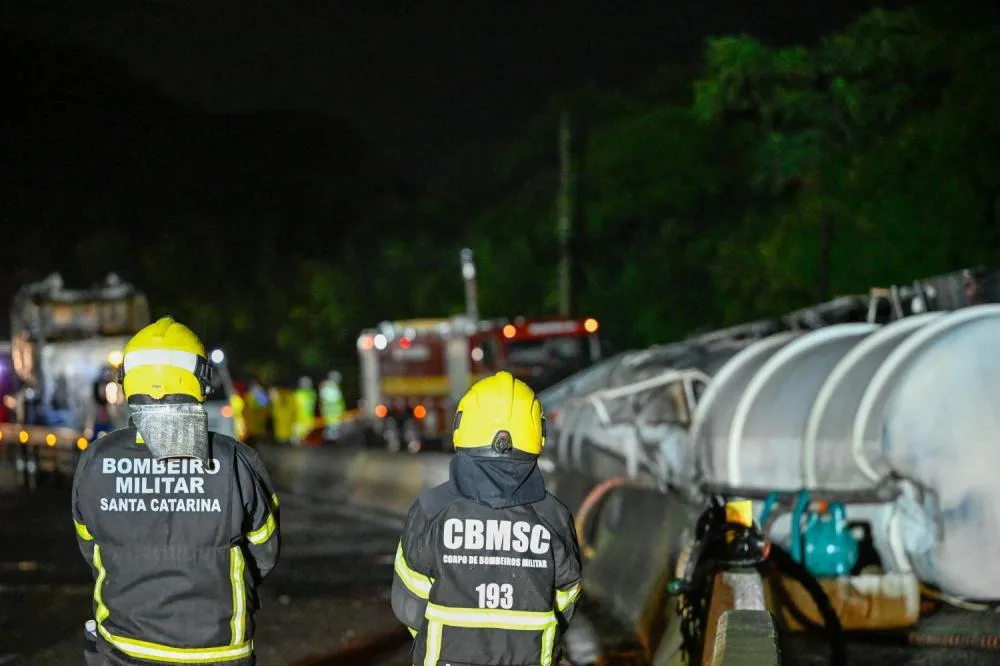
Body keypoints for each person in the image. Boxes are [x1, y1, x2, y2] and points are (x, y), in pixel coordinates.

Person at [71, 316, 280, 666]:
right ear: (200, 379)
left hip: (124, 647)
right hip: (219, 650)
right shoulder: (234, 461)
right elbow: (264, 551)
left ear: (128, 382)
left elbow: (90, 545)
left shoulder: (96, 459)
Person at [391, 370, 582, 666]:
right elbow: (566, 597)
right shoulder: (554, 517)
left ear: (461, 426)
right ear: (537, 432)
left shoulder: (432, 510)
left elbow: (408, 601)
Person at [319, 370, 346, 441]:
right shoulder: (328, 387)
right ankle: (330, 439)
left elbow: (339, 401)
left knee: (334, 428)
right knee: (332, 428)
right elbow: (328, 401)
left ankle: (332, 438)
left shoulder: (335, 386)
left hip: (335, 413)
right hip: (331, 414)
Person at [291, 376, 316, 445]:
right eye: (304, 383)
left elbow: (312, 406)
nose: (306, 384)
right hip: (299, 419)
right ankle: (296, 441)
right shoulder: (297, 394)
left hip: (308, 418)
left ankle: (302, 440)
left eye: (308, 383)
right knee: (298, 432)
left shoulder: (312, 393)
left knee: (306, 431)